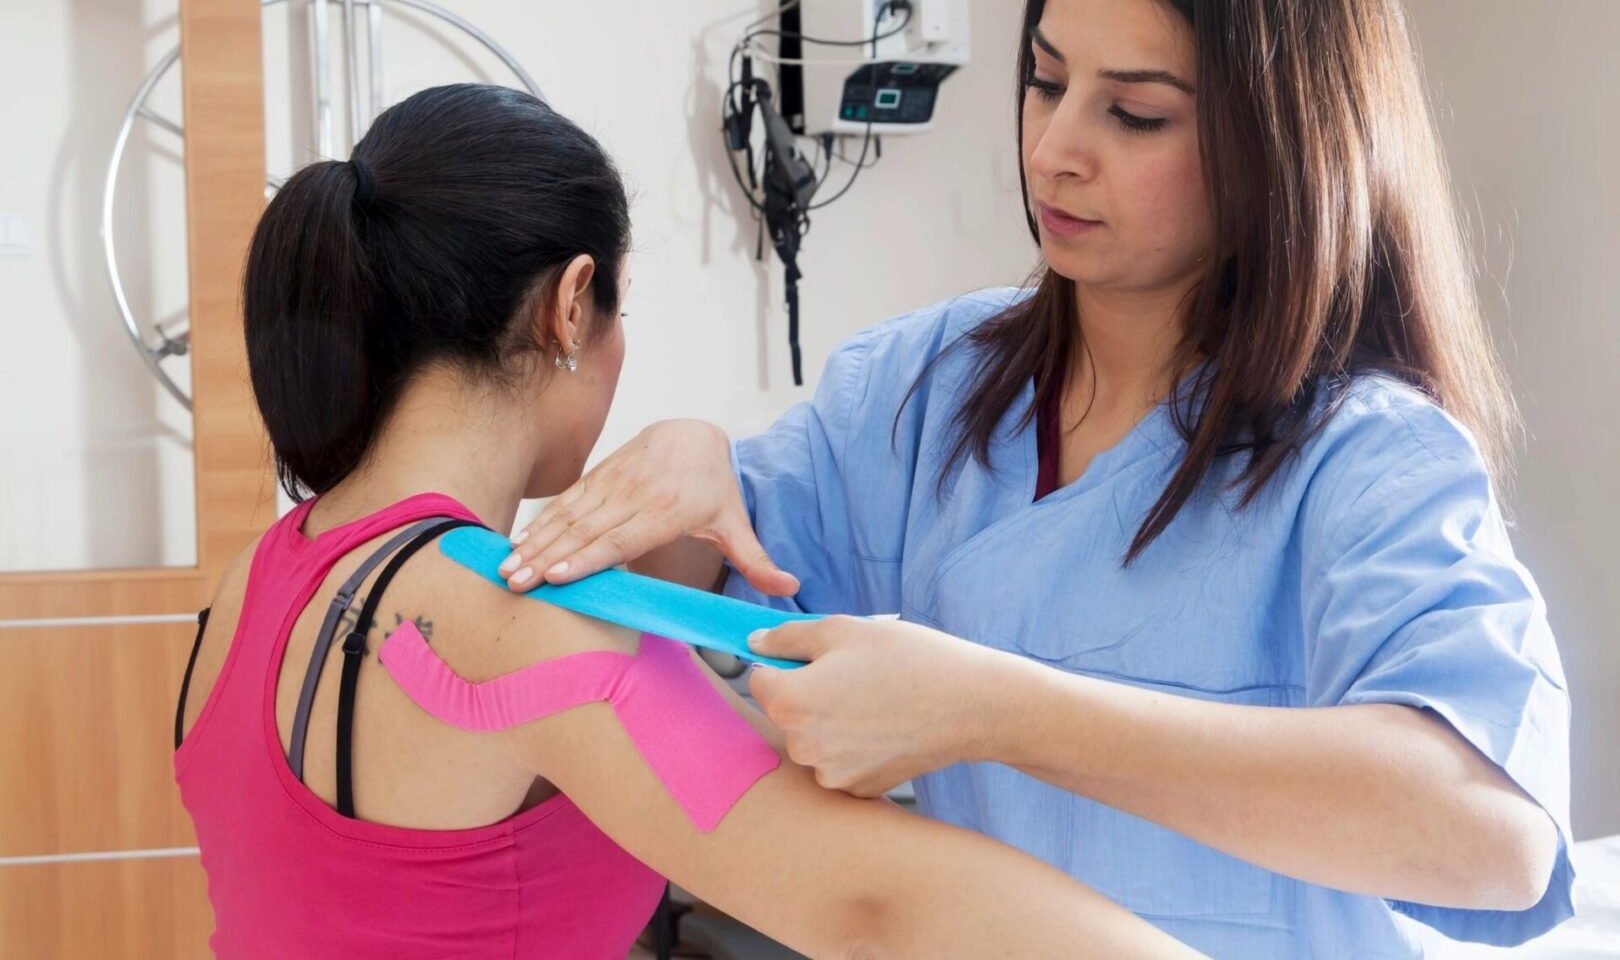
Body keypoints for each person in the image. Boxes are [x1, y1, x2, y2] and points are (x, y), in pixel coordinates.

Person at [497, 0, 1575, 954]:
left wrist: (993, 709)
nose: (1055, 148)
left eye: (1136, 112)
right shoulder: (927, 388)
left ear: (1277, 141)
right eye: (1044, 81)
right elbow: (726, 563)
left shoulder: (1367, 456)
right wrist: (690, 472)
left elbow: (1492, 835)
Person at [172, 83, 1191, 958]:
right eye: (619, 312)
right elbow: (872, 901)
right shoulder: (523, 624)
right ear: (572, 306)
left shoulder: (249, 584)